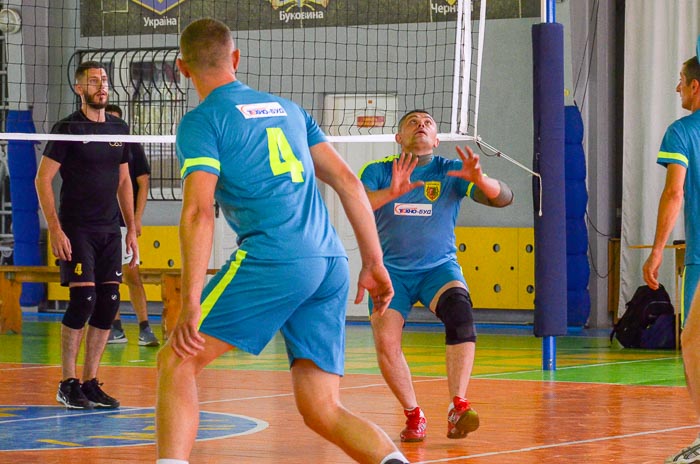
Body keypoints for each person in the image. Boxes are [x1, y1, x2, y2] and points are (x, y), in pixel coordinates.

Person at [155, 18, 409, 464]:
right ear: (235, 59)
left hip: (277, 258)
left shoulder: (201, 122)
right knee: (321, 408)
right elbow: (349, 182)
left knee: (176, 361)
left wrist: (190, 300)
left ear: (182, 68)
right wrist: (373, 260)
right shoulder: (290, 110)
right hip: (331, 263)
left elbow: (198, 211)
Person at [359, 110, 514, 442]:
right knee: (386, 342)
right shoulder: (378, 171)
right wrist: (392, 192)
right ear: (398, 138)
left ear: (437, 139)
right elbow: (356, 204)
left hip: (437, 269)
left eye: (428, 123)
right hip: (391, 273)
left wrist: (480, 180)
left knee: (461, 315)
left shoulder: (450, 171)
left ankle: (458, 407)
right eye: (412, 122)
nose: (421, 126)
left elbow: (505, 198)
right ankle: (414, 415)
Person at [35, 61, 139, 409]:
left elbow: (125, 182)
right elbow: (42, 180)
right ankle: (68, 382)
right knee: (83, 302)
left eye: (104, 80)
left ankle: (91, 382)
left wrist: (131, 230)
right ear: (79, 88)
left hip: (110, 229)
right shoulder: (68, 128)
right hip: (77, 229)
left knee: (108, 304)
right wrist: (56, 229)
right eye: (93, 81)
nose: (101, 86)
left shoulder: (118, 128)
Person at [642, 55, 700, 464]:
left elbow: (674, 194)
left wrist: (658, 249)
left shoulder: (682, 132)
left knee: (693, 343)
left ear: (695, 86)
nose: (677, 88)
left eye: (681, 81)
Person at [104, 103, 160, 347]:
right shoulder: (95, 144)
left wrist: (136, 218)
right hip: (101, 223)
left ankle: (145, 327)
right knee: (108, 277)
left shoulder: (131, 146)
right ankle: (114, 328)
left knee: (131, 274)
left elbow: (143, 182)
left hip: (124, 222)